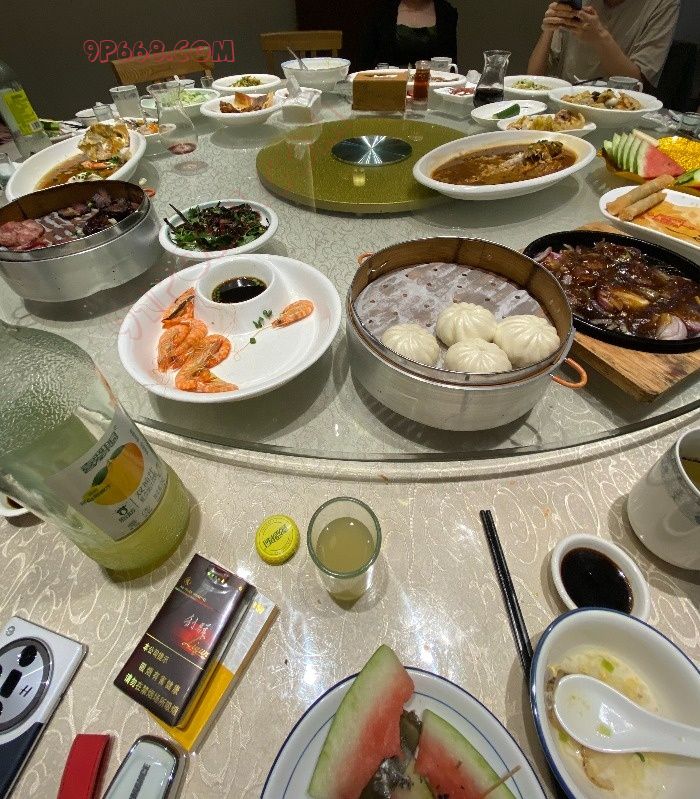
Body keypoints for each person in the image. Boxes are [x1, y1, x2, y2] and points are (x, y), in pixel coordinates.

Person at [527, 0, 680, 90]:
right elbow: (533, 78)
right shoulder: (581, 3)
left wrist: (600, 37)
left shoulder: (662, 4)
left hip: (619, 112)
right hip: (564, 107)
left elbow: (636, 85)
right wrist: (549, 29)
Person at [357, 0, 458, 71]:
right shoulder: (381, 12)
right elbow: (365, 63)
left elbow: (450, 64)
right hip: (389, 87)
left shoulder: (447, 13)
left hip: (434, 88)